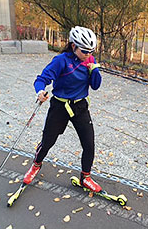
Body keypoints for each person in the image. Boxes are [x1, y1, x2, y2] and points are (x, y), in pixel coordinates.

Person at [23, 26, 102, 192]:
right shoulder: (61, 61)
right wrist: (40, 92)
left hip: (80, 106)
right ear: (73, 46)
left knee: (89, 144)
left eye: (91, 51)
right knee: (48, 142)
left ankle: (85, 177)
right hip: (60, 106)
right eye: (84, 51)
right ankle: (36, 165)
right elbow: (41, 79)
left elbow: (95, 86)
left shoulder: (90, 60)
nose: (88, 54)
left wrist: (94, 70)